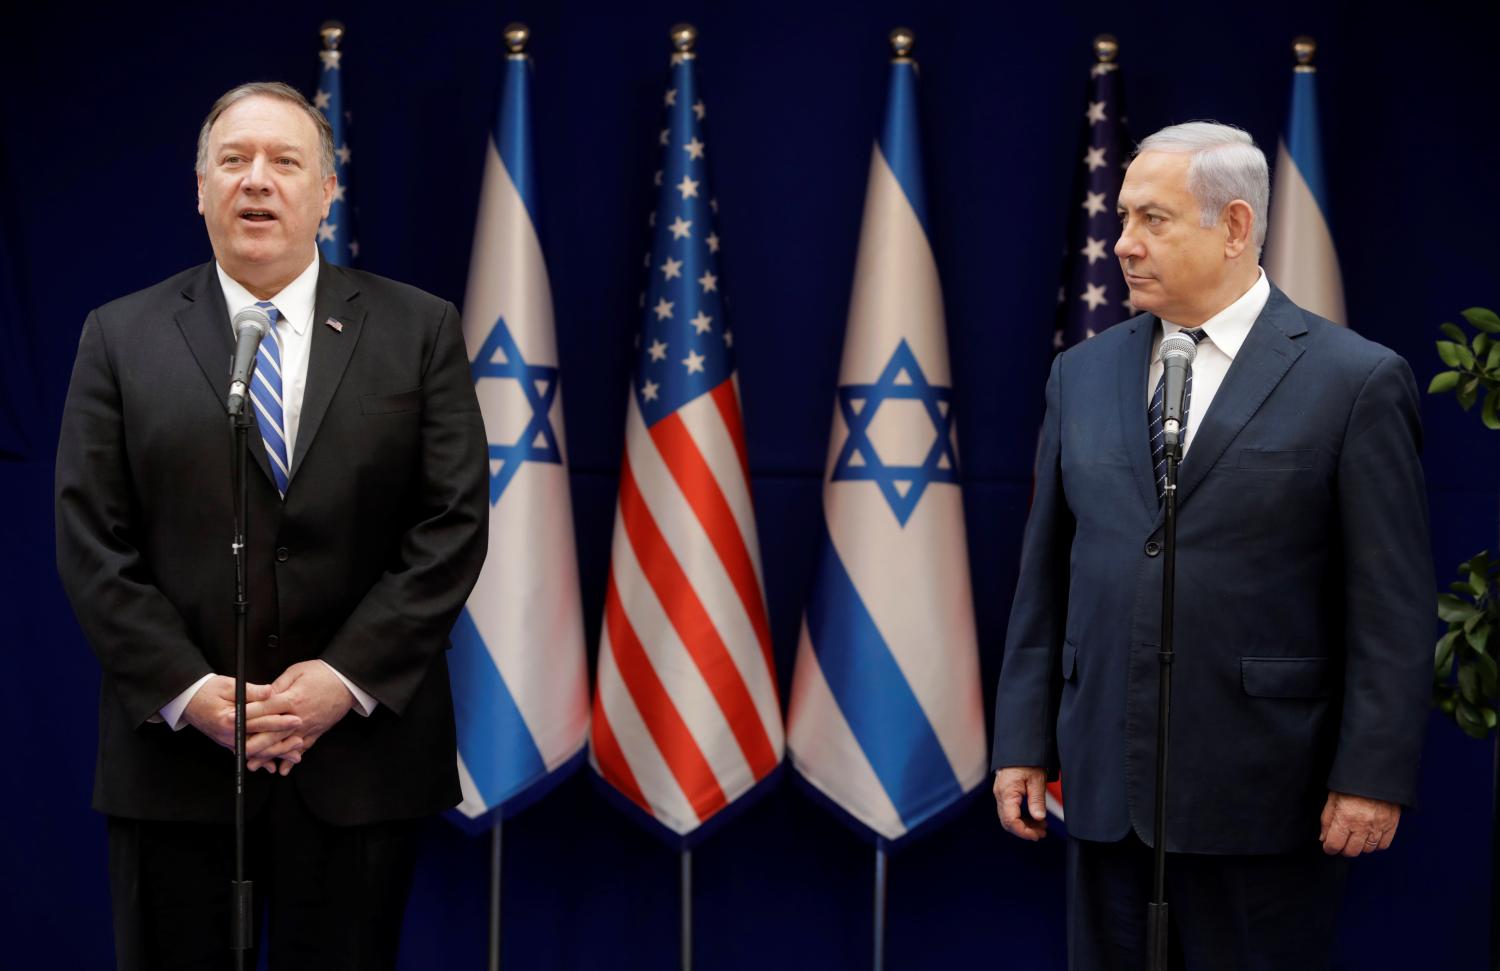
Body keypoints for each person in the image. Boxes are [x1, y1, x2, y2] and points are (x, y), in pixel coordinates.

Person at [55, 81, 488, 969]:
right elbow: (91, 538)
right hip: (175, 763)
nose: (258, 181)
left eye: (285, 162)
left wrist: (341, 678)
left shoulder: (419, 329)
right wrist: (190, 689)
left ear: (327, 190)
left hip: (357, 761)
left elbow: (451, 525)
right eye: (234, 160)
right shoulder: (120, 336)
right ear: (200, 187)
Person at [989, 121, 1433, 970]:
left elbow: (1391, 605)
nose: (1123, 244)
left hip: (1264, 795)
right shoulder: (1079, 375)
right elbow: (1046, 576)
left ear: (1233, 227)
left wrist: (1372, 772)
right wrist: (1023, 739)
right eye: (1122, 218)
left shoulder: (1354, 379)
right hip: (1104, 790)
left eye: (1152, 220)